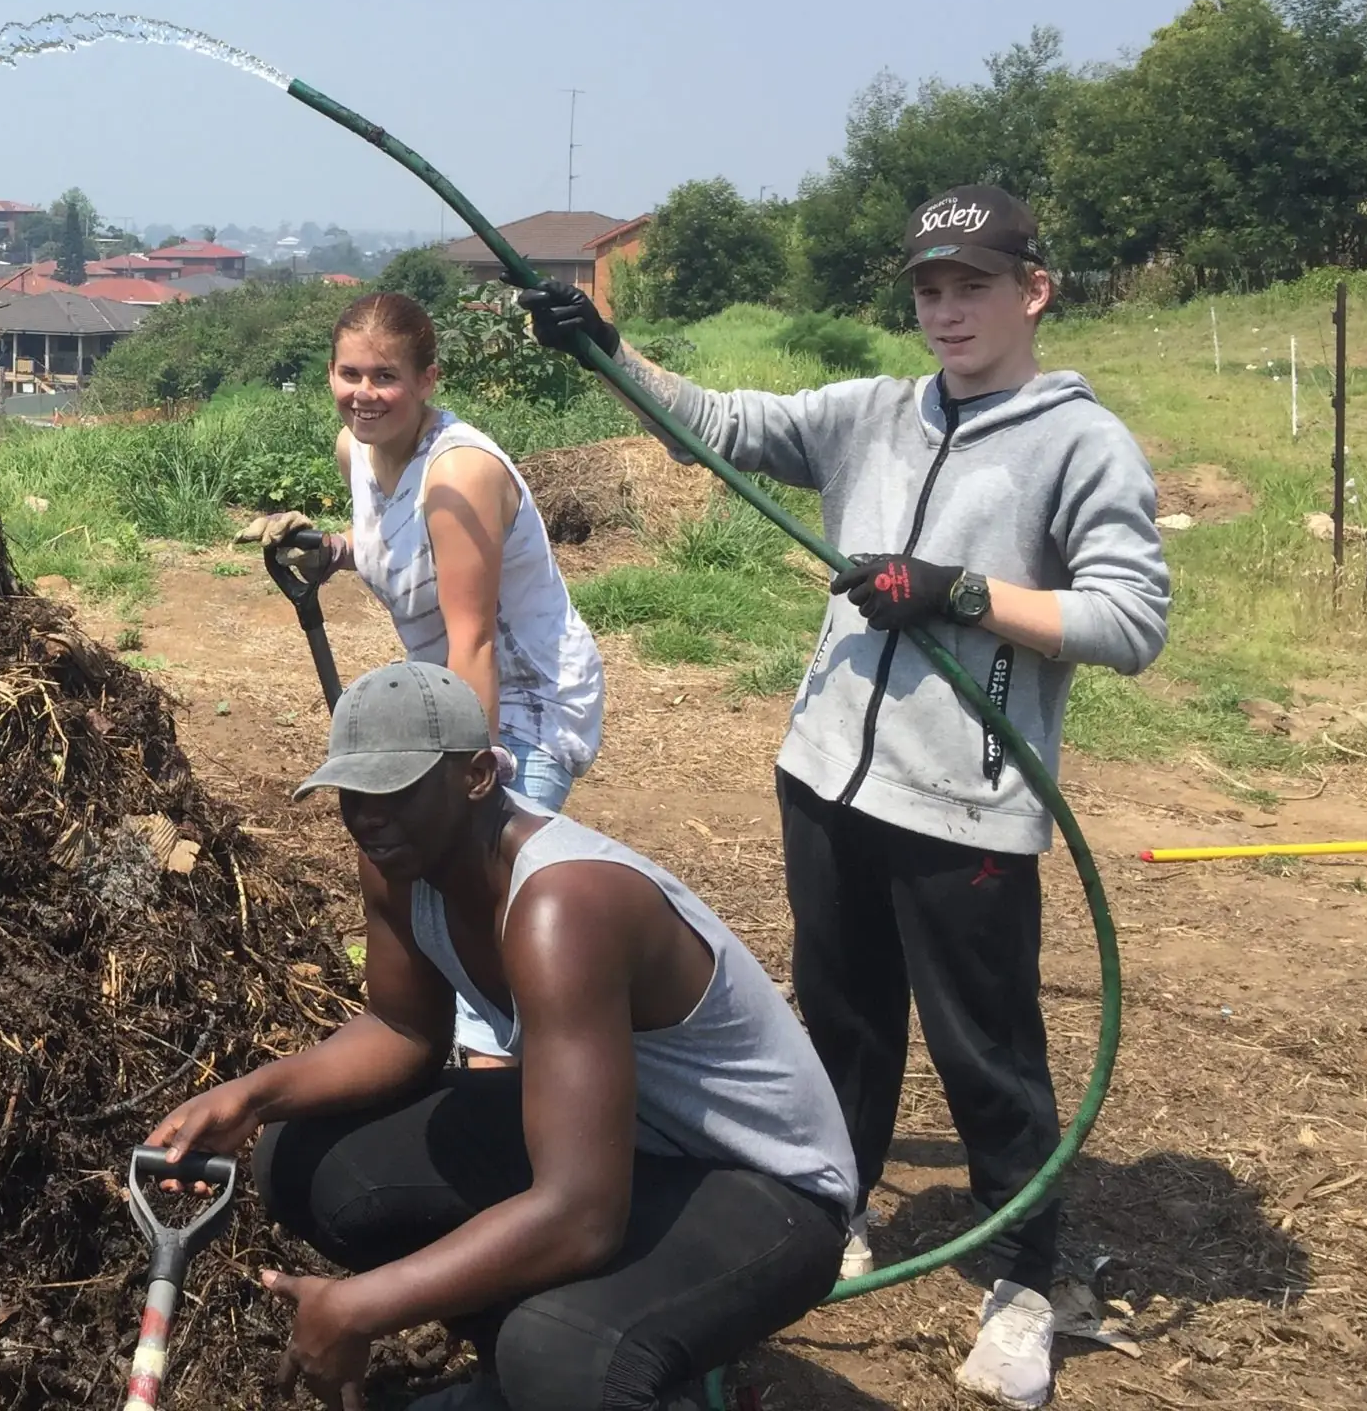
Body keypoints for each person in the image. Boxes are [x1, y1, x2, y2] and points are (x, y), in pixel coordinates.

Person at [522, 187, 1169, 1408]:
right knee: (843, 1024)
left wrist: (960, 593)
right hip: (826, 777)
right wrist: (607, 354)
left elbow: (1128, 621)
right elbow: (712, 424)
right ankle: (832, 1211)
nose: (946, 310)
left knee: (987, 1053)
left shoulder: (1082, 444)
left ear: (1033, 290)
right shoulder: (868, 415)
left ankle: (1029, 1279)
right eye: (928, 289)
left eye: (972, 285)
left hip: (966, 809)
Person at [149, 661, 854, 1411]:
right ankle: (521, 1359)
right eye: (353, 794)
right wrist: (254, 1096)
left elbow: (582, 1216)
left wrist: (362, 1306)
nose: (368, 816)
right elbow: (402, 1029)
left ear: (479, 775)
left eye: (396, 791)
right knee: (299, 1154)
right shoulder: (398, 859)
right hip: (620, 1145)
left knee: (559, 1351)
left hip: (763, 1188)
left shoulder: (564, 905)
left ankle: (596, 1362)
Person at [240, 291, 604, 1064]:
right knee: (431, 880)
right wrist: (331, 549)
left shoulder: (459, 474)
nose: (363, 394)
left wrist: (471, 774)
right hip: (441, 696)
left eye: (386, 377)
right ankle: (459, 1046)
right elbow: (387, 545)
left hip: (519, 699)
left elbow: (472, 635)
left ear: (427, 379)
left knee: (487, 895)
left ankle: (506, 1069)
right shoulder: (357, 451)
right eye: (349, 374)